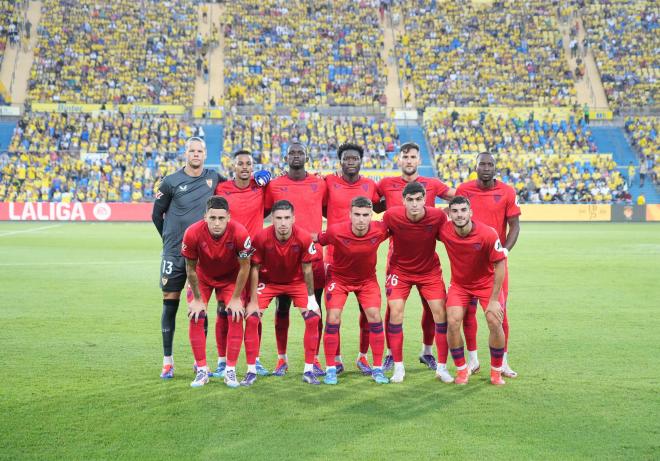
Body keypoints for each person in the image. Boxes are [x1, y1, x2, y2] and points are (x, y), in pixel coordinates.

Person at [152, 137, 226, 379]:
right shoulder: (170, 182)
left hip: (201, 255)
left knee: (200, 307)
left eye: (200, 151)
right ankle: (167, 361)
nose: (196, 154)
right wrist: (169, 239)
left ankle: (199, 362)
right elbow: (156, 215)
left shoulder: (214, 177)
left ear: (205, 154)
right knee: (170, 303)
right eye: (192, 150)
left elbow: (237, 186)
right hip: (174, 253)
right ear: (186, 154)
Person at [377, 142, 454, 372]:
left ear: (419, 160)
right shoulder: (386, 184)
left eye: (413, 157)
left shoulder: (432, 184)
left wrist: (448, 212)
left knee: (432, 308)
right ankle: (391, 354)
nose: (409, 160)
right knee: (393, 308)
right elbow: (368, 201)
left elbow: (459, 197)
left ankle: (427, 351)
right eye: (405, 157)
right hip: (397, 257)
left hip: (426, 254)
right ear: (398, 160)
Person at [456, 152, 521, 378]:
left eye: (490, 164)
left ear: (495, 167)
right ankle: (473, 359)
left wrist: (505, 250)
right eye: (482, 164)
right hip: (467, 263)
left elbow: (515, 225)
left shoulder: (507, 191)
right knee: (467, 314)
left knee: (499, 313)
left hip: (495, 265)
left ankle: (503, 361)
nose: (486, 167)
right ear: (475, 167)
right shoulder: (464, 190)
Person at [265, 142, 327, 376]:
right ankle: (282, 359)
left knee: (315, 308)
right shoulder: (274, 185)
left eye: (300, 152)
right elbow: (261, 211)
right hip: (282, 261)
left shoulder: (320, 183)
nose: (297, 156)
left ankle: (316, 358)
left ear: (307, 156)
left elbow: (333, 209)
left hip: (312, 258)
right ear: (286, 157)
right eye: (292, 152)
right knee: (282, 309)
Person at [315, 196, 390, 385]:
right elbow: (316, 239)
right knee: (333, 317)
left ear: (371, 216)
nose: (361, 219)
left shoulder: (379, 230)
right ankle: (331, 368)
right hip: (338, 279)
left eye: (366, 215)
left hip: (366, 280)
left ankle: (378, 368)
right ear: (350, 215)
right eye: (357, 214)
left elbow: (400, 228)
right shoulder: (336, 231)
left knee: (374, 316)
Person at [246, 200, 322, 385]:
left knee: (313, 318)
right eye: (279, 218)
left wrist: (312, 299)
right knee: (252, 318)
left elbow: (307, 269)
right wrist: (253, 300)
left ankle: (309, 370)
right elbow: (254, 268)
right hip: (269, 282)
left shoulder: (303, 237)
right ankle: (251, 371)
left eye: (287, 218)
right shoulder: (261, 237)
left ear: (293, 218)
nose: (283, 223)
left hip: (296, 283)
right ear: (272, 218)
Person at [324, 143, 383, 375]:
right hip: (334, 258)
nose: (351, 161)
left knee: (367, 313)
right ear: (340, 161)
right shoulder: (328, 181)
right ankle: (336, 359)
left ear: (361, 160)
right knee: (333, 313)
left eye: (355, 158)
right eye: (346, 158)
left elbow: (380, 206)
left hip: (363, 260)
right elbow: (319, 205)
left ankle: (363, 356)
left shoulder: (369, 185)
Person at [183, 196, 253, 388]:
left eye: (221, 218)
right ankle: (202, 370)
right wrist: (197, 299)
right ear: (205, 216)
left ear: (228, 217)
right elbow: (190, 268)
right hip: (202, 278)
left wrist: (237, 297)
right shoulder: (192, 233)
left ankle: (230, 370)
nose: (216, 223)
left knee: (236, 314)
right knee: (195, 315)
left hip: (230, 278)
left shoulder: (240, 233)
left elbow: (245, 267)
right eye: (212, 218)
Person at [438, 196, 508, 386]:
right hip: (460, 285)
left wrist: (494, 299)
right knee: (452, 322)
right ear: (450, 214)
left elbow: (500, 265)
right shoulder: (444, 230)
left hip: (486, 284)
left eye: (463, 210)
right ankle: (462, 370)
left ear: (470, 212)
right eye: (455, 211)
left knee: (494, 321)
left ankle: (496, 372)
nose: (459, 215)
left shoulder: (487, 234)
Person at [213, 149, 271, 377]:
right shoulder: (222, 189)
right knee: (223, 310)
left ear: (252, 167)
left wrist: (269, 174)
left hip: (255, 259)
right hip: (228, 259)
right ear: (233, 167)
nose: (245, 167)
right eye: (241, 163)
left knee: (254, 311)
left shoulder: (261, 186)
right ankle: (221, 361)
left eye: (249, 163)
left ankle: (254, 359)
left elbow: (274, 187)